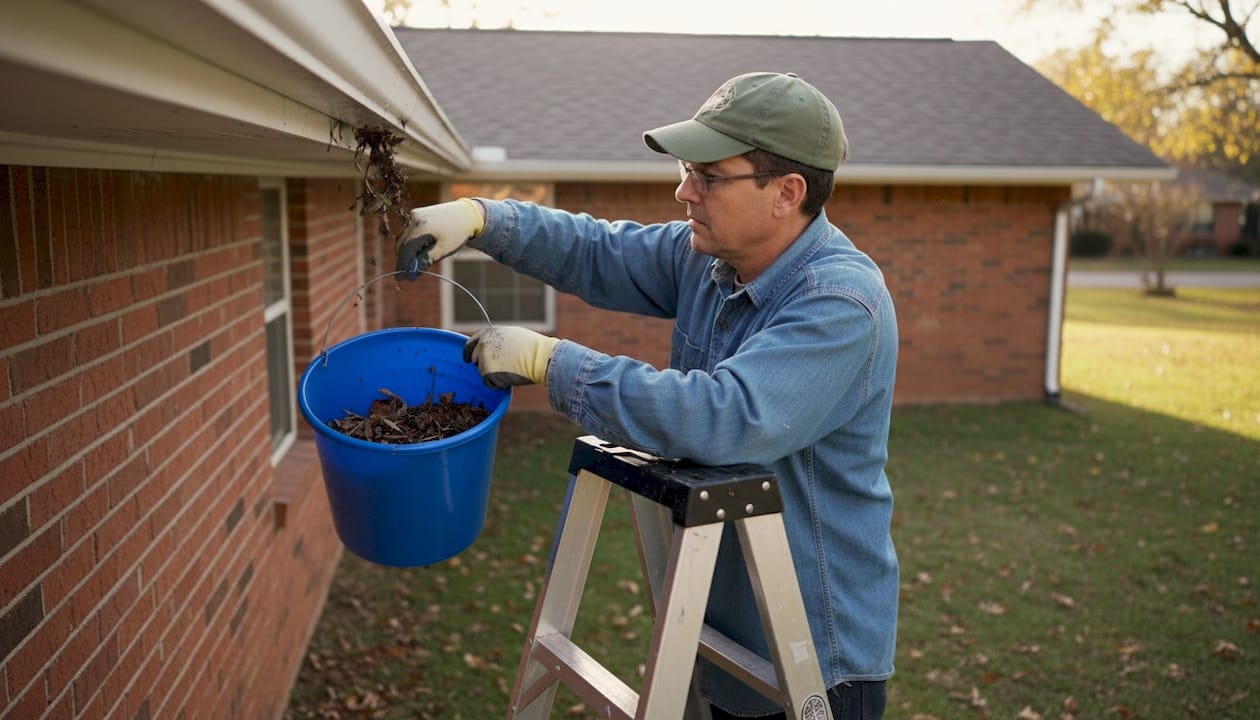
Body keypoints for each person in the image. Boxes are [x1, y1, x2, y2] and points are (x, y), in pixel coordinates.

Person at [397, 72, 898, 720]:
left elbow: (723, 417)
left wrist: (551, 362)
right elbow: (598, 251)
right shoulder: (710, 260)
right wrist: (483, 219)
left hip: (811, 660)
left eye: (708, 177)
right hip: (713, 628)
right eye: (688, 171)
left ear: (787, 193)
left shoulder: (841, 304)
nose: (682, 190)